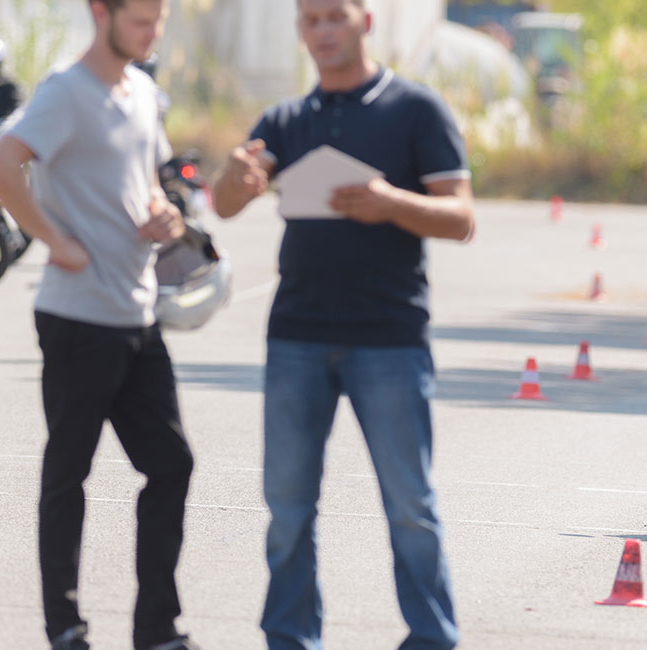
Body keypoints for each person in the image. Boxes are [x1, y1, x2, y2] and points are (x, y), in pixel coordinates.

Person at [209, 1, 473, 649]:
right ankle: (290, 639)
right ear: (301, 31)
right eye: (311, 19)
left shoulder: (416, 109)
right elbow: (225, 203)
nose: (323, 30)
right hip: (296, 334)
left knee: (410, 507)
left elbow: (461, 217)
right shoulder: (285, 119)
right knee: (289, 510)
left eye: (335, 16)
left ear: (366, 22)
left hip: (389, 338)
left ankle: (433, 639)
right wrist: (234, 181)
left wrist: (390, 203)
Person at [0, 1, 199, 649]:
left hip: (138, 312)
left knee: (172, 465)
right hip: (77, 317)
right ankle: (65, 627)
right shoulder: (67, 91)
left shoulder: (142, 92)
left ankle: (156, 630)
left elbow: (151, 185)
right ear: (100, 11)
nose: (152, 28)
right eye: (141, 16)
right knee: (69, 472)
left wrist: (169, 219)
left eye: (160, 17)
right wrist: (54, 240)